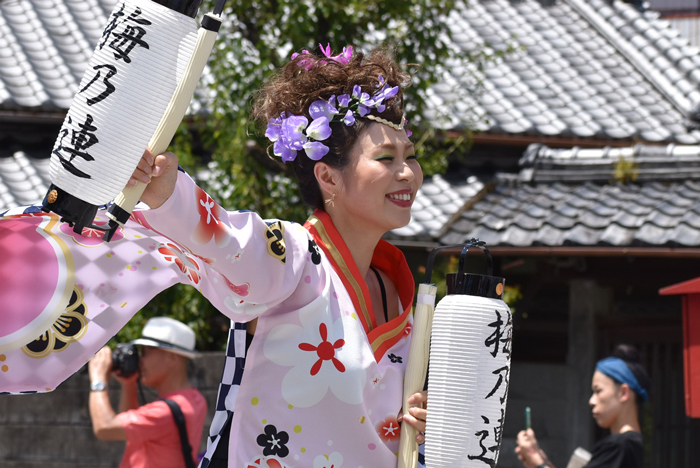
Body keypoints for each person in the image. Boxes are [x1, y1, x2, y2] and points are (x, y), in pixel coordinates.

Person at [127, 45, 428, 467]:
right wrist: (164, 189)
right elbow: (225, 239)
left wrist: (418, 417)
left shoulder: (400, 293)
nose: (407, 173)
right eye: (385, 158)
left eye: (411, 158)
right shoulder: (290, 258)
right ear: (327, 177)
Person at [87, 317, 208, 468]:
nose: (140, 360)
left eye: (145, 352)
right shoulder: (195, 399)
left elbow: (104, 427)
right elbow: (132, 431)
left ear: (171, 358)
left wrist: (98, 379)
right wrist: (129, 384)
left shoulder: (165, 412)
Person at [515, 344, 651, 468]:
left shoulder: (621, 445)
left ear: (623, 392)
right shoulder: (630, 444)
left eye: (598, 391)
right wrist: (540, 461)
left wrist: (537, 461)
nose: (591, 401)